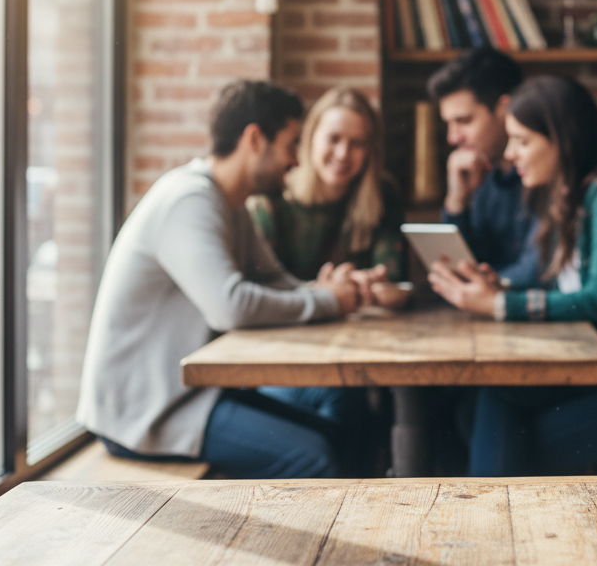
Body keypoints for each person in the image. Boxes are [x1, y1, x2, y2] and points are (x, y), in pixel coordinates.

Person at [76, 80, 368, 479]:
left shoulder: (229, 206)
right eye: (290, 144)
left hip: (195, 396)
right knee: (317, 458)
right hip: (147, 414)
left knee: (344, 437)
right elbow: (230, 306)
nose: (296, 161)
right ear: (254, 139)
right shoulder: (189, 200)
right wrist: (329, 301)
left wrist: (331, 289)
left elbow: (280, 283)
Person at [428, 74, 597, 475]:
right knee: (484, 406)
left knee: (511, 446)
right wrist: (502, 286)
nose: (511, 154)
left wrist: (499, 304)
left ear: (562, 138)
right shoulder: (565, 194)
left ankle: (487, 524)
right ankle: (491, 519)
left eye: (522, 141)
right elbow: (556, 280)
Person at [249, 86, 409, 309]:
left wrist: (366, 282)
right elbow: (258, 290)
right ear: (311, 138)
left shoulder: (385, 195)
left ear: (370, 150)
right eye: (334, 139)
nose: (343, 153)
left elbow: (394, 277)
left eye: (357, 143)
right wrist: (324, 291)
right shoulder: (271, 200)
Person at [428, 48, 539, 287]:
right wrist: (457, 203)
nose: (452, 138)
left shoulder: (543, 174)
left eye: (464, 121)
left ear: (504, 108)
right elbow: (458, 270)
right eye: (449, 124)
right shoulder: (483, 178)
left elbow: (539, 271)